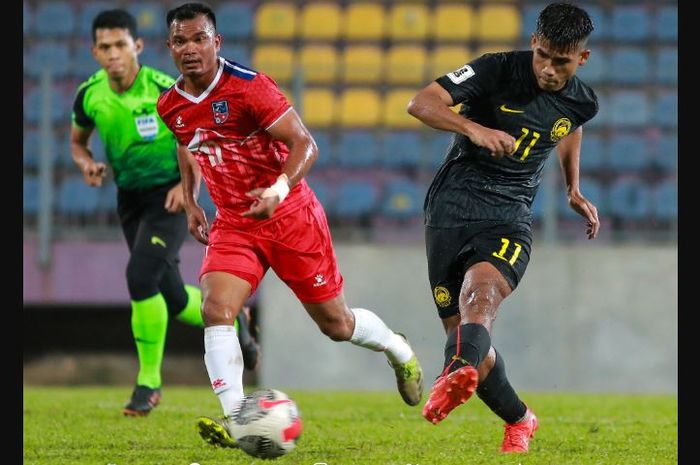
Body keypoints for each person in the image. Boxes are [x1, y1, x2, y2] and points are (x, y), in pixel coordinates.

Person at [157, 2, 424, 448]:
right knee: (216, 309)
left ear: (216, 42)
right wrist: (191, 202)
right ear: (169, 46)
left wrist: (278, 189)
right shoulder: (170, 105)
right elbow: (189, 146)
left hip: (290, 217)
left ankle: (398, 349)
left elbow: (305, 142)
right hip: (235, 224)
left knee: (337, 325)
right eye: (181, 40)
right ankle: (237, 420)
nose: (190, 48)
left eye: (199, 38)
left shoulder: (249, 87)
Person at [406, 2, 600, 454]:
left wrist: (573, 188)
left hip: (509, 214)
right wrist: (473, 128)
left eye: (562, 62)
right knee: (468, 337)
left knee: (482, 296)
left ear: (582, 59)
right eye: (544, 56)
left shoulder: (583, 100)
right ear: (534, 42)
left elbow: (571, 126)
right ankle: (519, 419)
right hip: (450, 210)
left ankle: (451, 373)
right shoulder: (495, 69)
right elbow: (421, 103)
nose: (550, 70)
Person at [69, 9, 259, 417]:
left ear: (136, 46)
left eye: (120, 44)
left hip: (170, 197)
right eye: (105, 47)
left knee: (140, 275)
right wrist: (86, 164)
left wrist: (183, 188)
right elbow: (77, 142)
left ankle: (148, 384)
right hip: (130, 199)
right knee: (171, 297)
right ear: (94, 52)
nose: (113, 53)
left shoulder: (162, 91)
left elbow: (194, 139)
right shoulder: (90, 94)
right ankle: (238, 321)